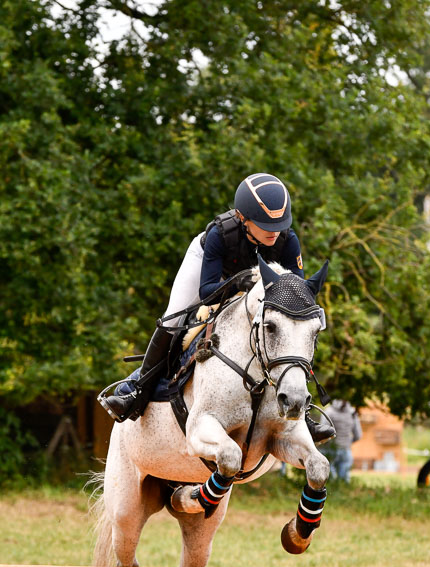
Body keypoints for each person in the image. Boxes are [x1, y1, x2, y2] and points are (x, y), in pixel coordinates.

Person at [98, 172, 335, 443]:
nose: (274, 231)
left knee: (290, 330)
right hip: (212, 275)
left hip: (253, 289)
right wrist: (241, 282)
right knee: (172, 321)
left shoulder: (287, 241)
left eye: (280, 224)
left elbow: (293, 298)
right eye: (265, 224)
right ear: (243, 218)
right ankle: (136, 390)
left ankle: (302, 412)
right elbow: (207, 293)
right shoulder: (219, 235)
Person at [322, 400, 362, 482]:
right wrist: (348, 442)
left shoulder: (328, 412)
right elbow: (358, 435)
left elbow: (323, 433)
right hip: (346, 450)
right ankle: (344, 492)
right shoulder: (352, 413)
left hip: (331, 450)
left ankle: (332, 491)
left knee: (329, 481)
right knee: (344, 481)